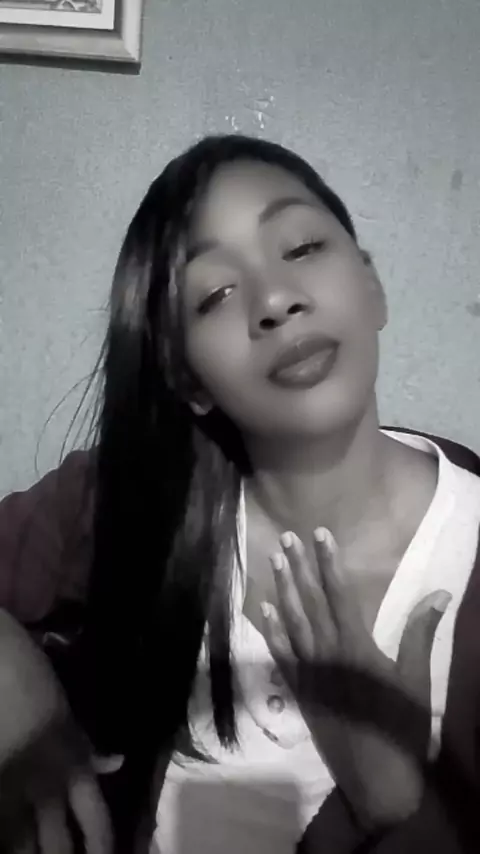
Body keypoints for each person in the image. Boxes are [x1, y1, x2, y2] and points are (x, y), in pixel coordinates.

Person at [1, 134, 480, 854]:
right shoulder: (129, 501)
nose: (275, 301)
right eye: (215, 294)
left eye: (302, 247)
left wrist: (397, 810)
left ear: (372, 286)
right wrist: (12, 682)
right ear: (187, 379)